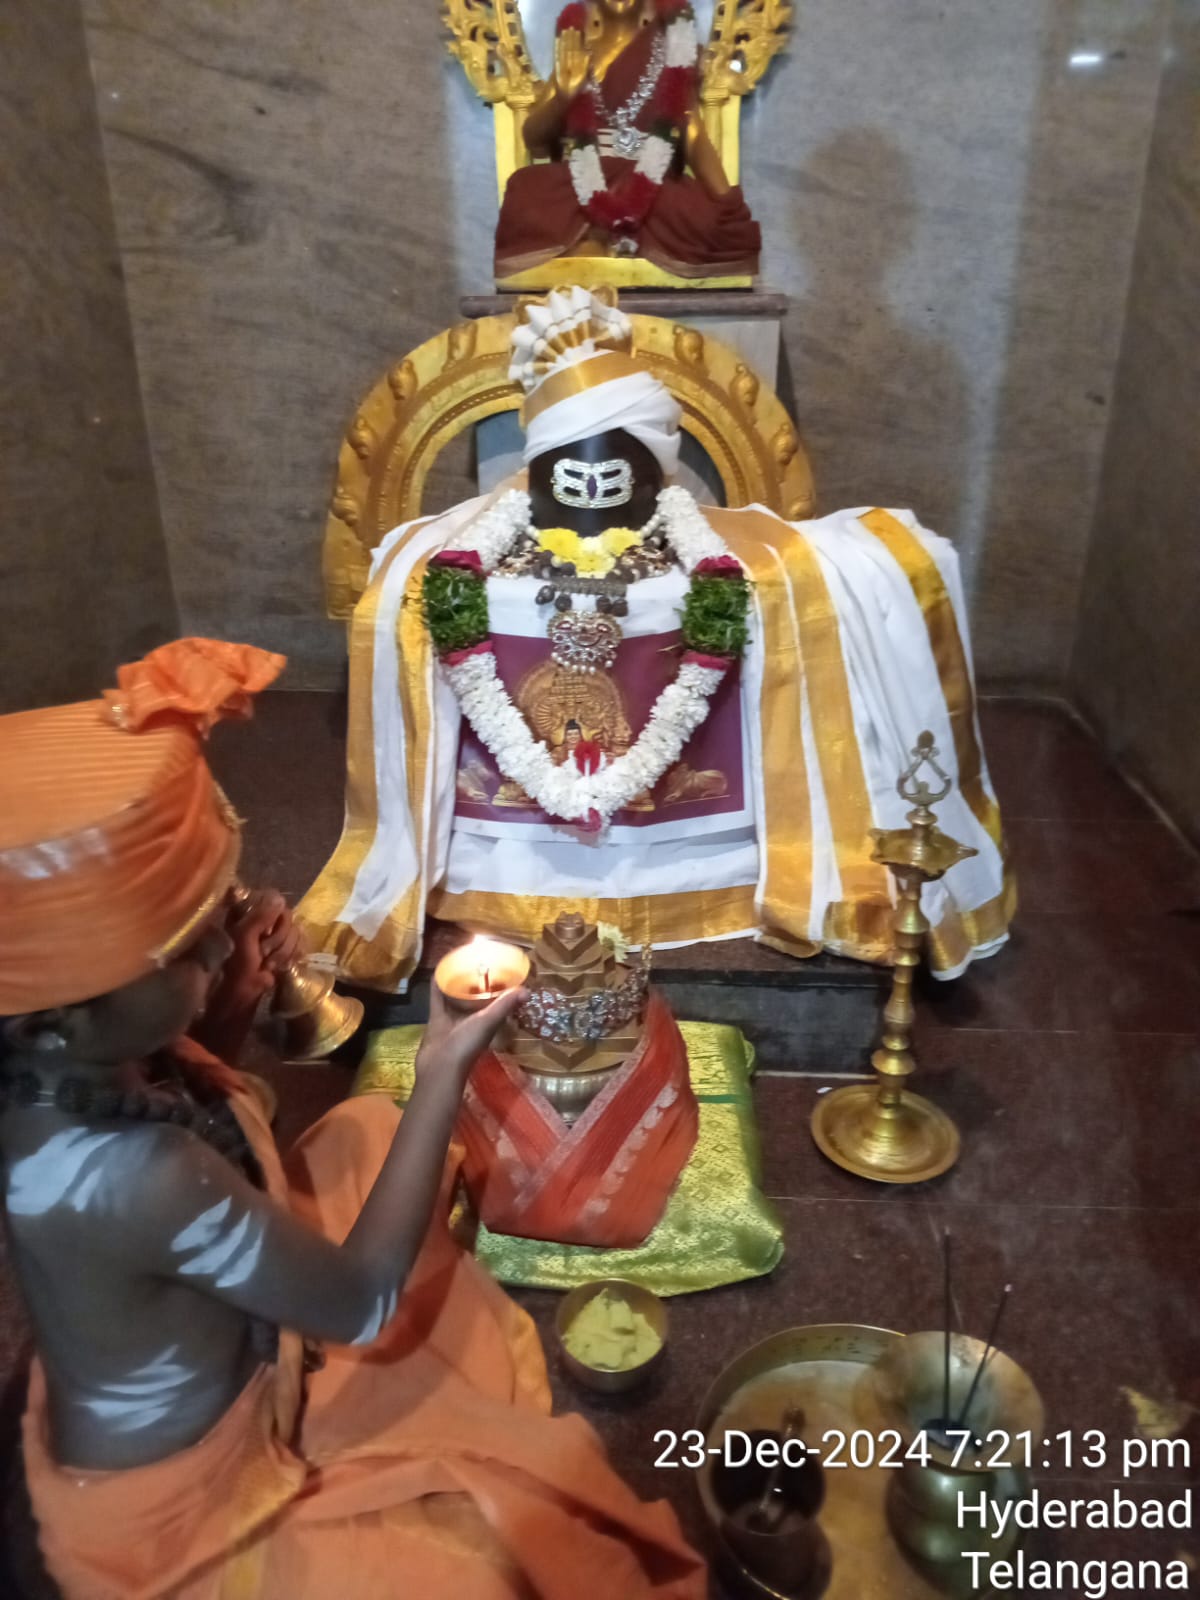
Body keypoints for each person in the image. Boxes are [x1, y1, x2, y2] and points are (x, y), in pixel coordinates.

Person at [0, 637, 705, 1599]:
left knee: (366, 1131)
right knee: (487, 1569)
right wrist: (443, 1063)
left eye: (216, 912)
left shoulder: (51, 1071)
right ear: (58, 1013)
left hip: (215, 1322)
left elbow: (204, 1106)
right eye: (189, 943)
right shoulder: (140, 1176)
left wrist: (231, 1002)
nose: (220, 943)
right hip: (193, 1498)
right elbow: (362, 1307)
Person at [300, 286, 1014, 991]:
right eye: (572, 474)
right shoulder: (471, 550)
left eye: (609, 473)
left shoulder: (690, 545)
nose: (590, 486)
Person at [494, 0, 760, 278]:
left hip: (651, 184)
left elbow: (692, 135)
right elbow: (533, 138)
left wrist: (728, 202)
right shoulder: (579, 52)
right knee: (524, 189)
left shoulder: (671, 53)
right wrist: (562, 98)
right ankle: (603, 241)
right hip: (583, 179)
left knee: (700, 216)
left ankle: (598, 241)